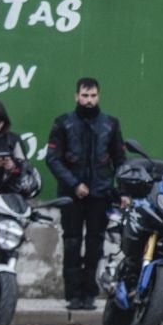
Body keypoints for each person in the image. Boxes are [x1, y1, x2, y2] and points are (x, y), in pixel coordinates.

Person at [45, 78, 125, 310]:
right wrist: (74, 184)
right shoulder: (62, 123)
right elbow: (52, 159)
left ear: (98, 96)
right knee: (71, 243)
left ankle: (89, 294)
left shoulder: (111, 124)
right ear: (76, 96)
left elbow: (120, 160)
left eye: (93, 96)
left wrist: (123, 190)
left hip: (100, 194)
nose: (89, 101)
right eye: (85, 96)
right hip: (71, 196)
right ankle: (72, 295)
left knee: (94, 245)